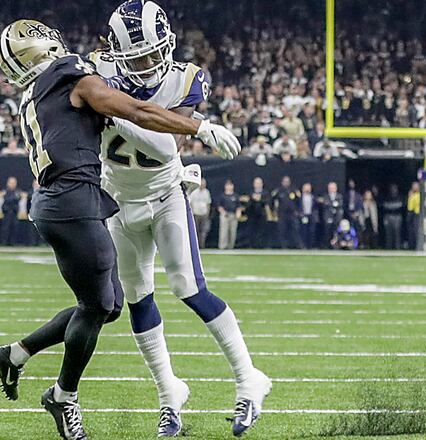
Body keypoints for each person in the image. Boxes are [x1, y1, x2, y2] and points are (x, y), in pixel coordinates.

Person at [0, 17, 241, 440]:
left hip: (57, 203)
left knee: (109, 302)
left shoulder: (38, 89)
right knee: (98, 306)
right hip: (74, 203)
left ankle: (17, 353)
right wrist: (200, 126)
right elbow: (136, 110)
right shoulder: (68, 76)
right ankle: (63, 396)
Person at [93, 3, 269, 435]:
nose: (148, 65)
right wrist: (121, 111)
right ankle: (168, 394)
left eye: (154, 54)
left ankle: (249, 378)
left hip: (165, 194)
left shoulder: (186, 79)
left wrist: (115, 112)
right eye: (138, 58)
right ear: (117, 53)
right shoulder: (97, 71)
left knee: (188, 287)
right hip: (118, 200)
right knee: (138, 297)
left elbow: (164, 145)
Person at [272, 175, 302, 249]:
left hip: (292, 214)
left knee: (296, 230)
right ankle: (284, 246)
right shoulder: (278, 191)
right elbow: (273, 200)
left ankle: (298, 245)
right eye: (285, 181)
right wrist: (274, 211)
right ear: (282, 182)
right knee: (282, 231)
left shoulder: (294, 190)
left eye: (287, 181)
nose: (286, 183)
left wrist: (298, 211)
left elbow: (299, 201)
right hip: (282, 214)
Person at [245, 177, 270, 248]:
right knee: (251, 231)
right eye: (256, 183)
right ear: (254, 184)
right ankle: (252, 245)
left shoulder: (266, 193)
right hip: (252, 215)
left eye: (259, 183)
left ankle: (261, 245)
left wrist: (259, 199)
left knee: (262, 231)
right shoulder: (250, 192)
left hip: (262, 215)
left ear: (262, 184)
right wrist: (253, 199)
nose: (258, 185)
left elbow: (267, 202)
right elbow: (248, 204)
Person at [217, 180, 241, 250]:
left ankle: (231, 246)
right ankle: (222, 246)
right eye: (228, 185)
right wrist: (223, 212)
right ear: (225, 186)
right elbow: (219, 206)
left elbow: (238, 206)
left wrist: (238, 213)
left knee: (233, 232)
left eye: (231, 185)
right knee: (224, 231)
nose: (229, 187)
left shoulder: (236, 196)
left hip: (233, 216)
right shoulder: (222, 196)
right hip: (225, 215)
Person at [319, 182, 344, 249]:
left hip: (337, 217)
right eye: (330, 188)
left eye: (333, 188)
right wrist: (333, 204)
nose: (331, 189)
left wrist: (330, 204)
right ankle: (326, 245)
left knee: (336, 231)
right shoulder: (325, 196)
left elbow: (340, 205)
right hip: (328, 217)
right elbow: (325, 205)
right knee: (327, 231)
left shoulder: (339, 196)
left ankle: (336, 245)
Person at [189, 178, 212, 248]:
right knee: (195, 230)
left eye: (204, 184)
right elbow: (191, 203)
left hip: (204, 214)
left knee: (203, 231)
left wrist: (207, 213)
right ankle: (195, 245)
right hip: (196, 213)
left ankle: (202, 245)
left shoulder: (206, 192)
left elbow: (208, 203)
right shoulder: (194, 192)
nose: (202, 185)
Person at [0, 177, 21, 245]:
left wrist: (10, 198)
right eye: (11, 183)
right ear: (8, 183)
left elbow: (18, 198)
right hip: (7, 212)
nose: (12, 184)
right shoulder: (5, 190)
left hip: (14, 212)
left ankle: (13, 242)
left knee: (14, 228)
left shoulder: (18, 191)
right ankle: (4, 242)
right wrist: (12, 198)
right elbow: (6, 199)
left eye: (14, 183)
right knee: (5, 228)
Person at [381, 184, 404, 249]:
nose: (393, 190)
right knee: (388, 233)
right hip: (388, 217)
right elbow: (384, 206)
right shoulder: (387, 197)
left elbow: (401, 205)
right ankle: (389, 247)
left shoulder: (400, 197)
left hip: (397, 217)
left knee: (397, 233)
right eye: (392, 188)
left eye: (395, 188)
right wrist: (394, 206)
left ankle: (397, 247)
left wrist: (390, 206)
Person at [298, 182, 318, 248]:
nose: (307, 190)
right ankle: (303, 245)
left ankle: (311, 245)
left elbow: (316, 207)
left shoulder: (313, 197)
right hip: (303, 216)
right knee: (303, 231)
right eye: (306, 188)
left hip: (311, 216)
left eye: (308, 188)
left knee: (312, 231)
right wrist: (300, 214)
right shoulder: (299, 197)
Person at [406, 181, 420, 249]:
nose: (415, 187)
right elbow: (410, 208)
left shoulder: (421, 194)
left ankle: (418, 245)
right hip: (414, 214)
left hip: (419, 214)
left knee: (418, 231)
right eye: (414, 186)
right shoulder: (412, 195)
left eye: (416, 186)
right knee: (413, 231)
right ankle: (413, 246)